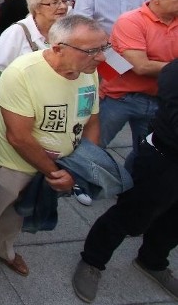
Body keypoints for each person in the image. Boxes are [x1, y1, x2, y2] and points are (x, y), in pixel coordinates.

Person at [0, 15, 106, 289]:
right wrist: (57, 173)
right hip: (11, 163)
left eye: (104, 47)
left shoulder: (88, 71)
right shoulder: (23, 73)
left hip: (56, 167)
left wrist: (79, 167)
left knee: (17, 214)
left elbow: (92, 120)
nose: (101, 58)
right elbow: (19, 137)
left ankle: (1, 247)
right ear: (58, 47)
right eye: (92, 51)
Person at [72, 59, 178, 303]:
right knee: (132, 213)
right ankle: (93, 261)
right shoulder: (175, 72)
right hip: (165, 159)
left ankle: (153, 260)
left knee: (174, 221)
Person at [97, 0, 178, 168]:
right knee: (95, 146)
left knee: (146, 153)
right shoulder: (131, 21)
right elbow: (141, 66)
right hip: (120, 98)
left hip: (160, 100)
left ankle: (132, 191)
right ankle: (80, 186)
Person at [0, 0, 71, 71]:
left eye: (64, 0)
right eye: (54, 2)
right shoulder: (16, 33)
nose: (62, 6)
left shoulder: (68, 32)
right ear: (37, 7)